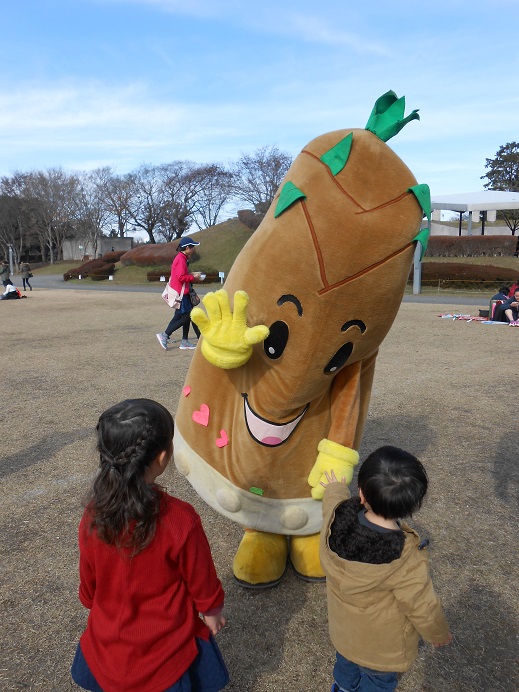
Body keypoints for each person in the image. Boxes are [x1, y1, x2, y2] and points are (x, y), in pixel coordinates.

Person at [71, 398, 229, 692]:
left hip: (106, 649)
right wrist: (212, 610)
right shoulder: (180, 519)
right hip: (167, 654)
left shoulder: (93, 516)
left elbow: (89, 588)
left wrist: (92, 599)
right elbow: (201, 578)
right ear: (162, 457)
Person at [320, 446, 451, 692]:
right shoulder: (404, 559)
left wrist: (335, 487)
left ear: (360, 493)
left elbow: (331, 504)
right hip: (381, 649)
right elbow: (423, 606)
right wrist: (438, 634)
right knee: (377, 682)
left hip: (344, 635)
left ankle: (343, 687)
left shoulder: (337, 519)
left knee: (345, 666)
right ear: (411, 508)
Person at [157, 237, 204, 351]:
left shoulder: (182, 258)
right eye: (192, 247)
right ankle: (165, 335)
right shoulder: (181, 259)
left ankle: (184, 341)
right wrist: (194, 277)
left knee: (182, 316)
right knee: (187, 317)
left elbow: (181, 275)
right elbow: (181, 277)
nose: (193, 249)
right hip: (181, 294)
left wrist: (191, 274)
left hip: (183, 293)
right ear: (187, 248)